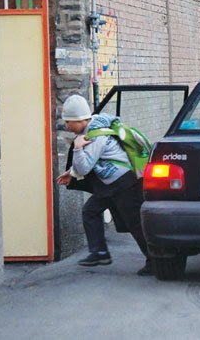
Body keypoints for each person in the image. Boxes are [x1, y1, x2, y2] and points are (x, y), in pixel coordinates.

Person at [56, 94, 153, 276]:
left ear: (80, 120)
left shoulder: (95, 136)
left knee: (135, 224)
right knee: (90, 211)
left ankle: (155, 261)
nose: (67, 126)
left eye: (69, 122)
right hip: (112, 185)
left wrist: (77, 148)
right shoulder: (92, 130)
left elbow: (85, 167)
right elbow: (93, 162)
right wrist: (71, 173)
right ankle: (99, 252)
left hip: (125, 184)